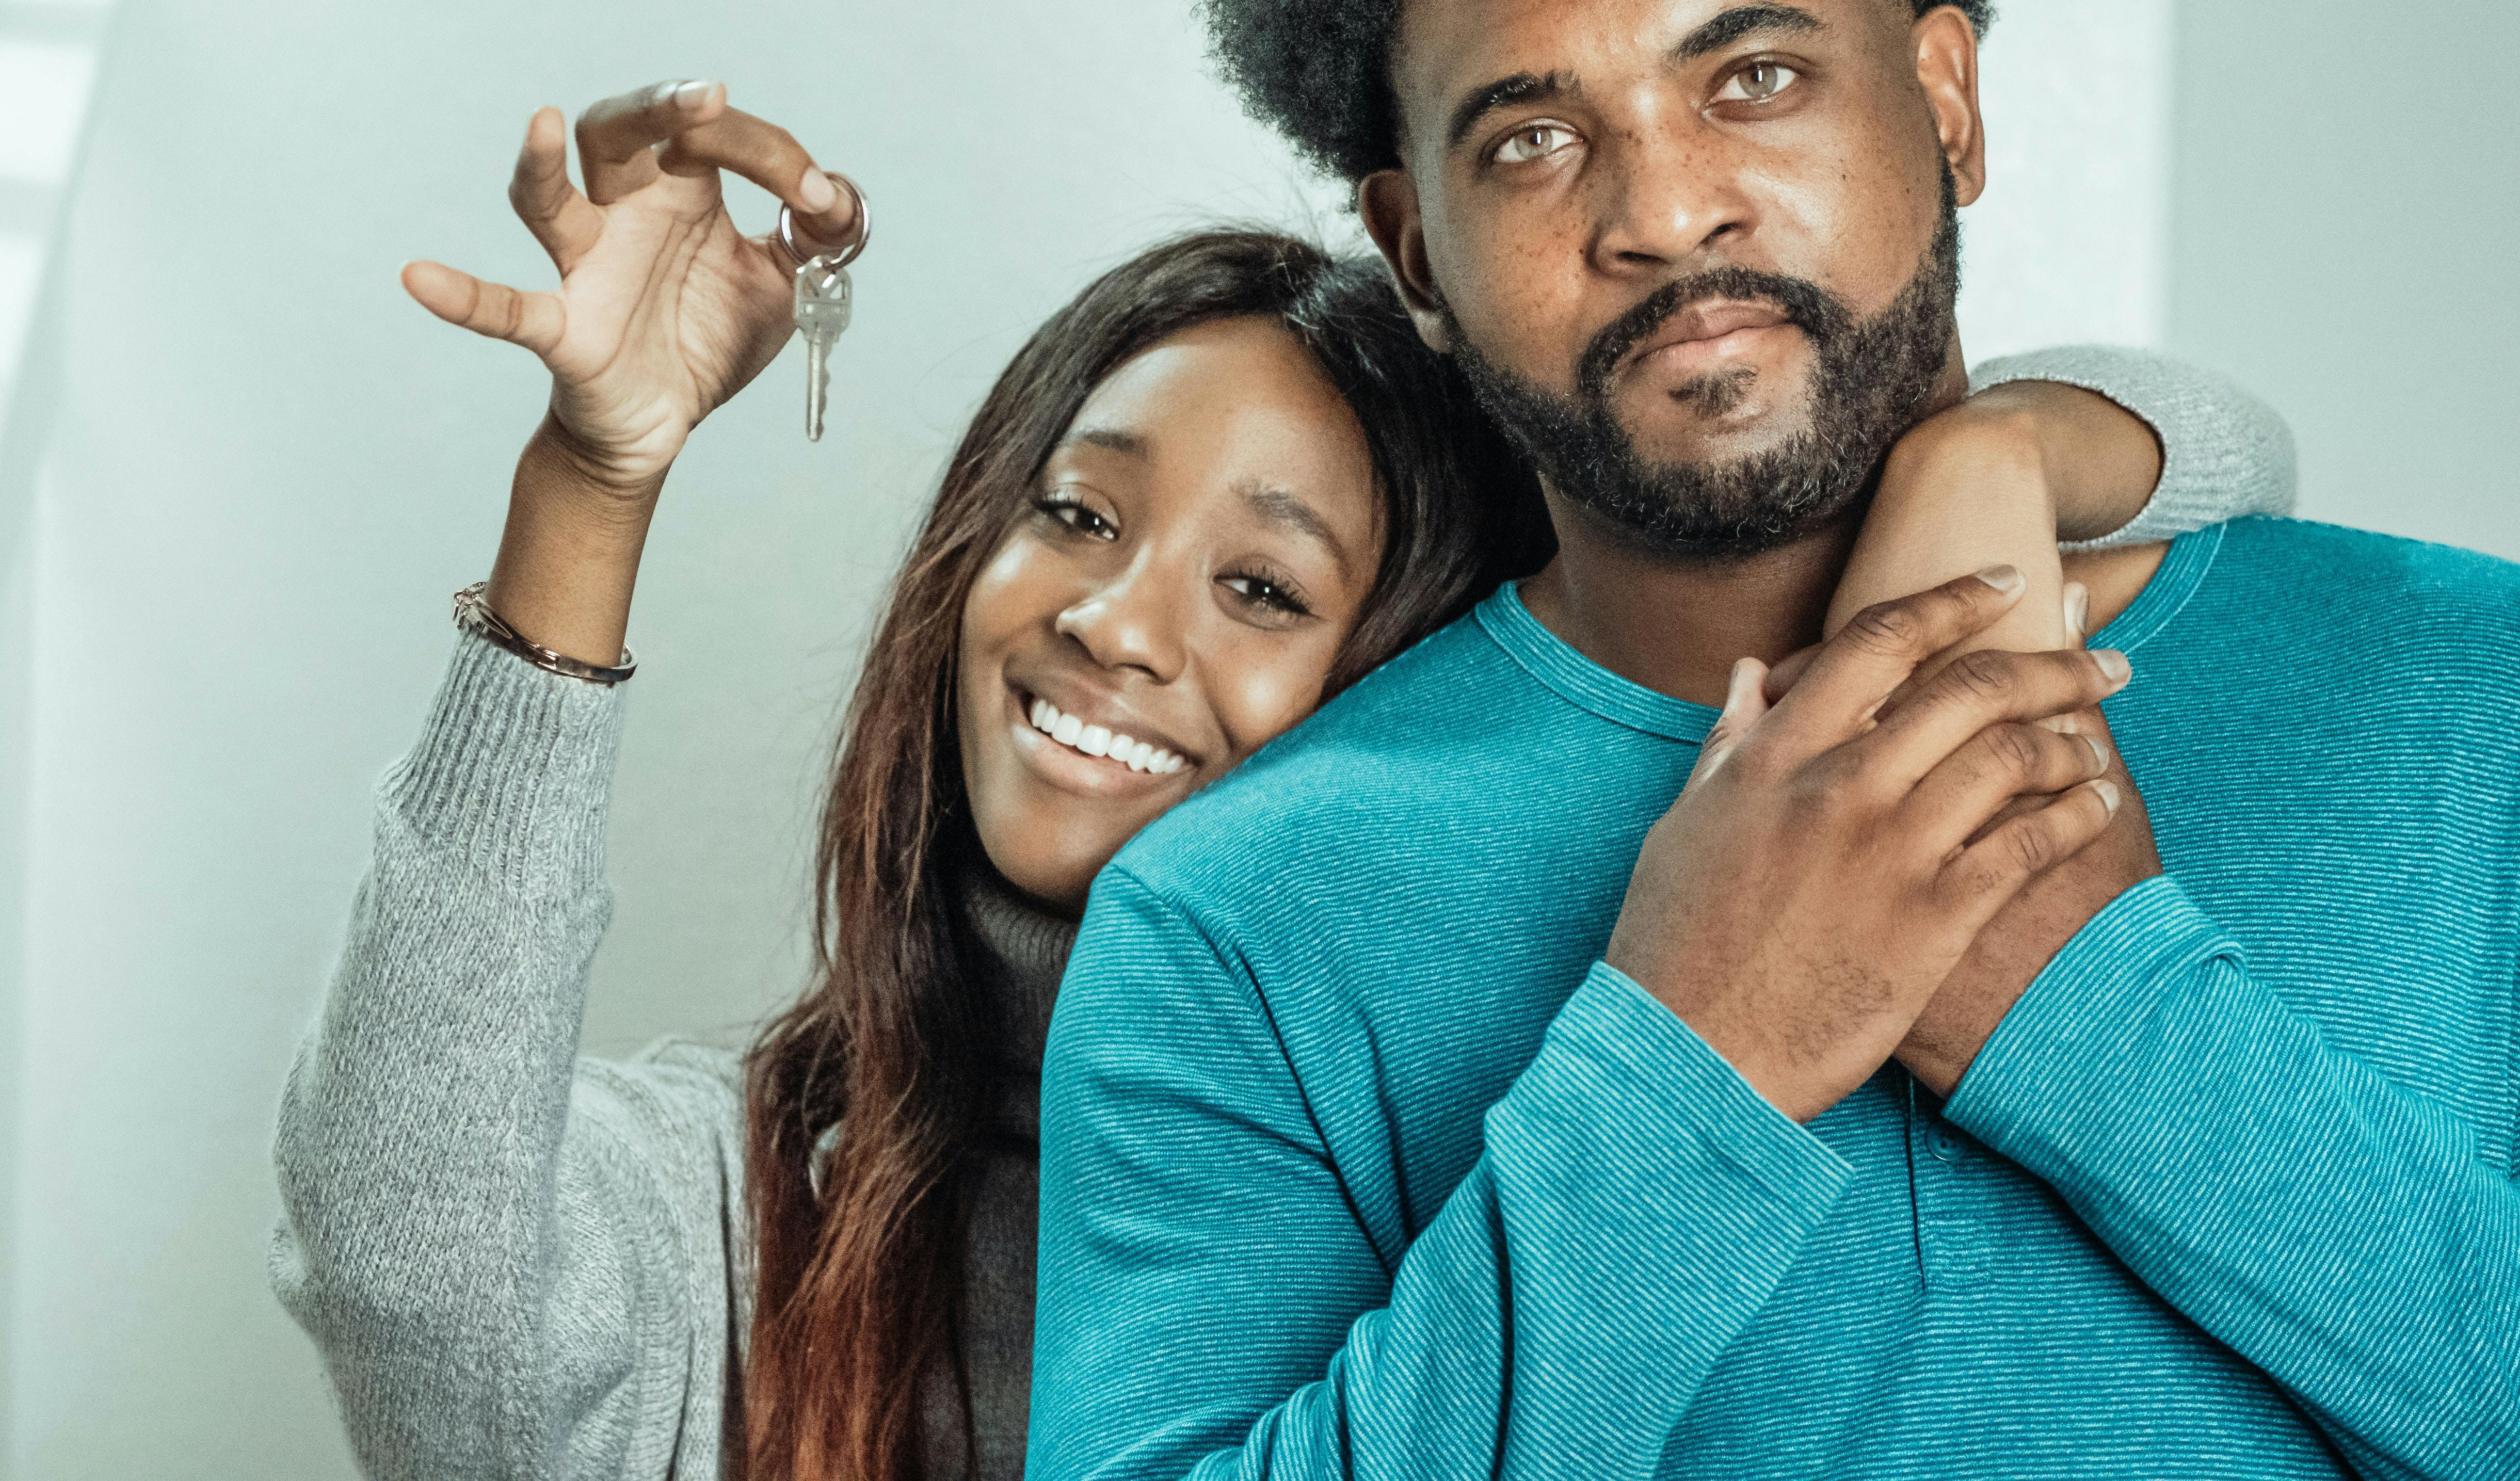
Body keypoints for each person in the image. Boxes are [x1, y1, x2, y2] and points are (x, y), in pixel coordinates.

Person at [1030, 0, 2520, 1481]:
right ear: (1415, 254)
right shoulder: (1245, 922)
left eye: (1753, 76)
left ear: (1947, 99)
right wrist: (1692, 1056)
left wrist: (2096, 1019)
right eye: (1534, 138)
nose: (1665, 207)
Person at [269, 74, 2290, 1481]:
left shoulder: (1490, 1158)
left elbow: (2235, 454)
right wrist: (592, 488)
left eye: (1261, 582)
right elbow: (403, 1249)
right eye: (1073, 514)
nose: (1115, 624)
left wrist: (1974, 462)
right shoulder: (739, 1194)